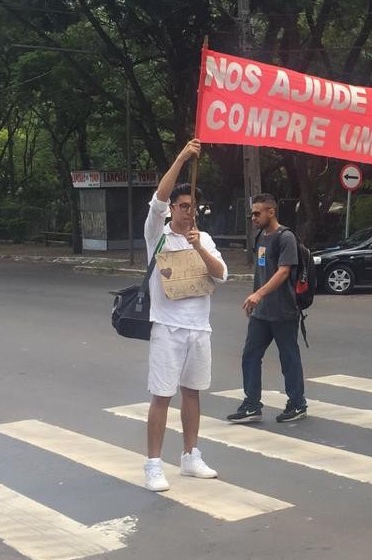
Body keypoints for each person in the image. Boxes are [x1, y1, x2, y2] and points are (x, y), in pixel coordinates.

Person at [141, 139, 228, 492]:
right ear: (172, 209)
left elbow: (220, 274)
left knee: (192, 393)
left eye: (192, 206)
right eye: (182, 206)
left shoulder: (202, 238)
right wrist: (182, 157)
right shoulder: (157, 235)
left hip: (198, 329)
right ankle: (153, 464)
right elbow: (157, 200)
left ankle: (191, 455)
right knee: (162, 395)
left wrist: (196, 247)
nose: (187, 211)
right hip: (168, 329)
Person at [226, 193, 308, 424]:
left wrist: (258, 294)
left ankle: (297, 403)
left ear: (271, 212)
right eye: (252, 213)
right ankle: (252, 405)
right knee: (250, 356)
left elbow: (283, 272)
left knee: (288, 359)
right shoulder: (261, 236)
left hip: (283, 311)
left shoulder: (286, 237)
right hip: (262, 313)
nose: (253, 217)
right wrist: (255, 299)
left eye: (257, 213)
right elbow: (260, 274)